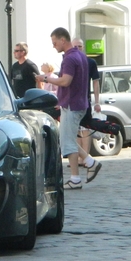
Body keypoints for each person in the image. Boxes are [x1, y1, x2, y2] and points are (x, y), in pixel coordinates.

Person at [35, 27, 101, 190]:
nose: (53, 46)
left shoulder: (70, 59)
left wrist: (45, 78)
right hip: (78, 103)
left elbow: (65, 81)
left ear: (63, 40)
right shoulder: (81, 56)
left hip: (72, 105)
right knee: (68, 139)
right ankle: (90, 163)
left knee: (67, 142)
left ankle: (75, 178)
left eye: (55, 42)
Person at [72, 38, 102, 168]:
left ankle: (86, 157)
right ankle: (79, 158)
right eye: (75, 46)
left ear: (83, 47)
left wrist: (97, 101)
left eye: (79, 46)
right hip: (72, 101)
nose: (77, 48)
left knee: (85, 129)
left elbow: (95, 82)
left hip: (85, 100)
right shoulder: (69, 61)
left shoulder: (90, 62)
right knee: (76, 130)